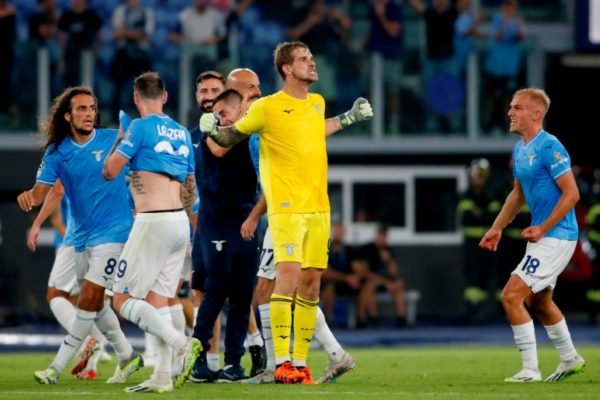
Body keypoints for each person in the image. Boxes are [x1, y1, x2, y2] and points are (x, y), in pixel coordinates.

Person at [200, 41, 372, 384]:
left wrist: (350, 117)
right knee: (286, 280)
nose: (312, 63)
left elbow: (316, 128)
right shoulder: (266, 107)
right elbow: (231, 137)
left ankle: (300, 362)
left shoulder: (316, 103)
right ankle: (281, 363)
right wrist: (212, 130)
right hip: (286, 209)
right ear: (286, 69)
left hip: (319, 208)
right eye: (304, 59)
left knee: (311, 286)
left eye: (311, 57)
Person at [17, 86, 142, 385]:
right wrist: (28, 198)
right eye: (82, 109)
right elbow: (41, 192)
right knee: (96, 305)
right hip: (81, 237)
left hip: (115, 233)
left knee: (86, 299)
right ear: (68, 115)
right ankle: (127, 354)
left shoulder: (114, 138)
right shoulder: (57, 151)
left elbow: (142, 166)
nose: (89, 114)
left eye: (92, 108)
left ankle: (55, 368)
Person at [103, 72, 201, 393]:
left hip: (153, 221)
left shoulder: (138, 127)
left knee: (122, 298)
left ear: (135, 98)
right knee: (158, 301)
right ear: (165, 96)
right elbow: (190, 185)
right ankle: (162, 376)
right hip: (179, 223)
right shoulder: (183, 133)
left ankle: (181, 343)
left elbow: (109, 171)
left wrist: (120, 141)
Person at [479, 87, 585, 382]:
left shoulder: (550, 146)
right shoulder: (520, 149)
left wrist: (543, 227)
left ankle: (530, 370)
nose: (510, 112)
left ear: (537, 114)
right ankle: (569, 358)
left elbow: (572, 194)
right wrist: (497, 227)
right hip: (545, 238)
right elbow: (517, 194)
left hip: (557, 236)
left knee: (511, 296)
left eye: (517, 108)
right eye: (511, 107)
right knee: (540, 302)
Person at [190, 88, 260, 383]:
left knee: (243, 295)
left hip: (245, 222)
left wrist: (254, 217)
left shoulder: (250, 137)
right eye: (216, 115)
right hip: (216, 223)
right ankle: (197, 357)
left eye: (223, 113)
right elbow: (220, 149)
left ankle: (234, 363)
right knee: (216, 290)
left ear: (239, 111)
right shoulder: (211, 138)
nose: (219, 119)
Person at [457, 158, 499, 322]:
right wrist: (482, 214)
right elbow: (468, 217)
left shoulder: (492, 195)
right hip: (472, 245)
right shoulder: (466, 196)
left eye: (480, 176)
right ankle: (472, 311)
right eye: (474, 176)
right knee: (472, 278)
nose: (476, 179)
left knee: (487, 276)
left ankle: (487, 312)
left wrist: (480, 213)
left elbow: (492, 217)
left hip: (488, 245)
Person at [356, 224, 407, 328]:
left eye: (384, 237)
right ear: (376, 236)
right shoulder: (367, 249)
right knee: (369, 287)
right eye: (380, 236)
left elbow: (394, 273)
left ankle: (402, 319)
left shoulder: (388, 250)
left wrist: (388, 260)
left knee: (399, 285)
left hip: (386, 282)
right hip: (372, 281)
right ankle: (366, 318)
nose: (382, 239)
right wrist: (384, 282)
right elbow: (365, 273)